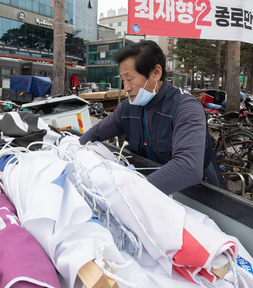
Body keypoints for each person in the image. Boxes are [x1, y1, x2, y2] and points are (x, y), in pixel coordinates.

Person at [79, 41, 223, 195]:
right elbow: (96, 133)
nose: (126, 88)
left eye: (130, 79)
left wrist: (132, 194)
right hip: (153, 192)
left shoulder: (186, 107)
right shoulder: (129, 107)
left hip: (197, 199)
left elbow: (188, 167)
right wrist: (74, 149)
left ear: (156, 73)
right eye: (123, 80)